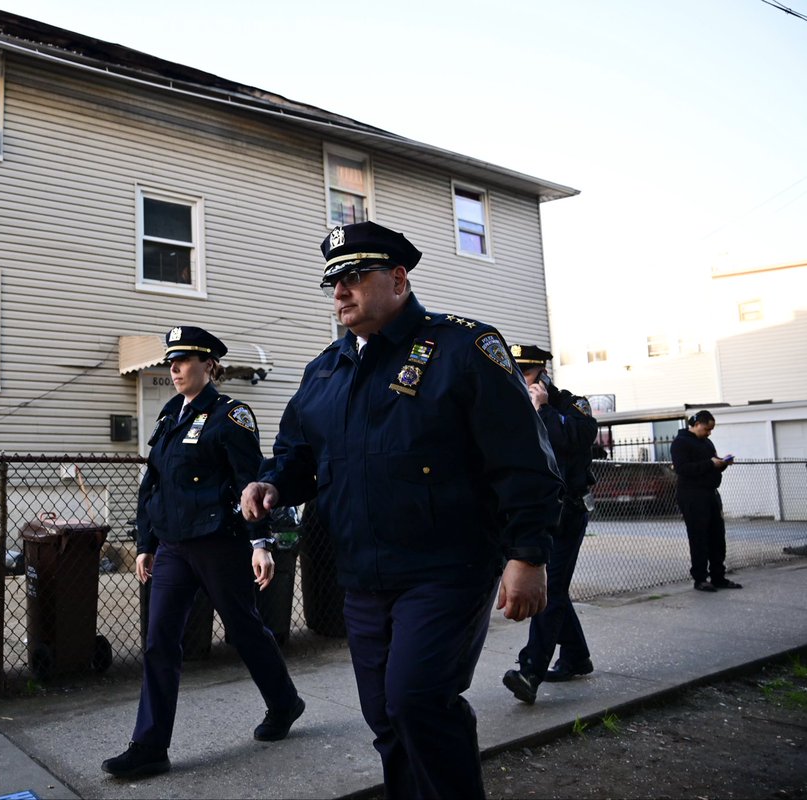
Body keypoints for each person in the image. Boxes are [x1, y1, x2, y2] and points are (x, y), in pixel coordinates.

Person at [241, 221, 562, 799]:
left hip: (447, 567)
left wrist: (529, 554)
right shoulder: (325, 371)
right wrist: (270, 485)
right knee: (384, 714)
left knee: (418, 700)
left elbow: (523, 461)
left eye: (353, 276)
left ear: (398, 278)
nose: (339, 291)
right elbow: (295, 456)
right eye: (332, 281)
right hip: (363, 574)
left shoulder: (463, 348)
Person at [103, 325, 305, 779]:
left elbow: (249, 483)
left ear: (209, 366)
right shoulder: (170, 413)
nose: (174, 369)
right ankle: (150, 746)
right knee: (159, 643)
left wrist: (260, 542)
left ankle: (284, 702)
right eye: (170, 362)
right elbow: (152, 483)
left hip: (219, 543)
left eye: (185, 361)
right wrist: (145, 544)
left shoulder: (231, 416)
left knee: (246, 631)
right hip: (173, 546)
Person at [502, 345, 599, 705]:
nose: (518, 378)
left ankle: (530, 671)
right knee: (553, 588)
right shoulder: (509, 402)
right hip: (526, 512)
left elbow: (571, 442)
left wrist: (540, 409)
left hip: (566, 511)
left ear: (541, 374)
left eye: (524, 372)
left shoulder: (573, 407)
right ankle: (576, 656)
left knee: (551, 588)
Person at [671, 409, 741, 592]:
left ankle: (718, 576)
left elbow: (712, 465)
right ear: (696, 424)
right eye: (706, 428)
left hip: (711, 493)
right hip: (692, 495)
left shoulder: (707, 443)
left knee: (717, 536)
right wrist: (711, 463)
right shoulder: (680, 443)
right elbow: (682, 468)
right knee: (699, 537)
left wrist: (722, 464)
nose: (709, 433)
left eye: (711, 430)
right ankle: (700, 578)